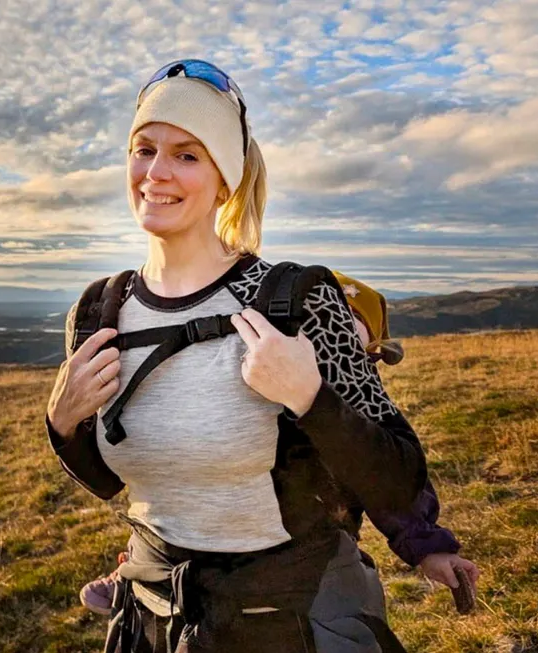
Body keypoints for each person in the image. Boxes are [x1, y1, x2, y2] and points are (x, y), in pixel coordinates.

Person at [45, 59, 432, 652]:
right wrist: (62, 424)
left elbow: (399, 477)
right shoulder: (100, 308)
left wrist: (308, 397)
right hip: (153, 620)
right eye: (143, 148)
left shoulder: (297, 298)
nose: (156, 172)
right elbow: (110, 478)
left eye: (187, 155)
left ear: (226, 179)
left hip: (289, 620)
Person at [77, 275, 480, 617]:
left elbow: (392, 486)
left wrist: (430, 550)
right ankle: (137, 569)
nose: (328, 333)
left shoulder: (357, 409)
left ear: (367, 353)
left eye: (350, 325)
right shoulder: (251, 371)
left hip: (306, 551)